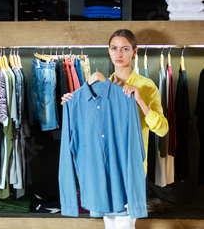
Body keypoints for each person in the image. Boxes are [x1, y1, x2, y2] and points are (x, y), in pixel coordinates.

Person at [62, 29, 169, 229]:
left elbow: (162, 129)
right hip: (104, 168)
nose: (119, 54)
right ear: (109, 52)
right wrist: (72, 102)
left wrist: (140, 102)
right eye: (114, 48)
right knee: (111, 225)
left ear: (134, 52)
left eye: (125, 49)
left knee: (124, 226)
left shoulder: (146, 86)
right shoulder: (99, 88)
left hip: (130, 167)